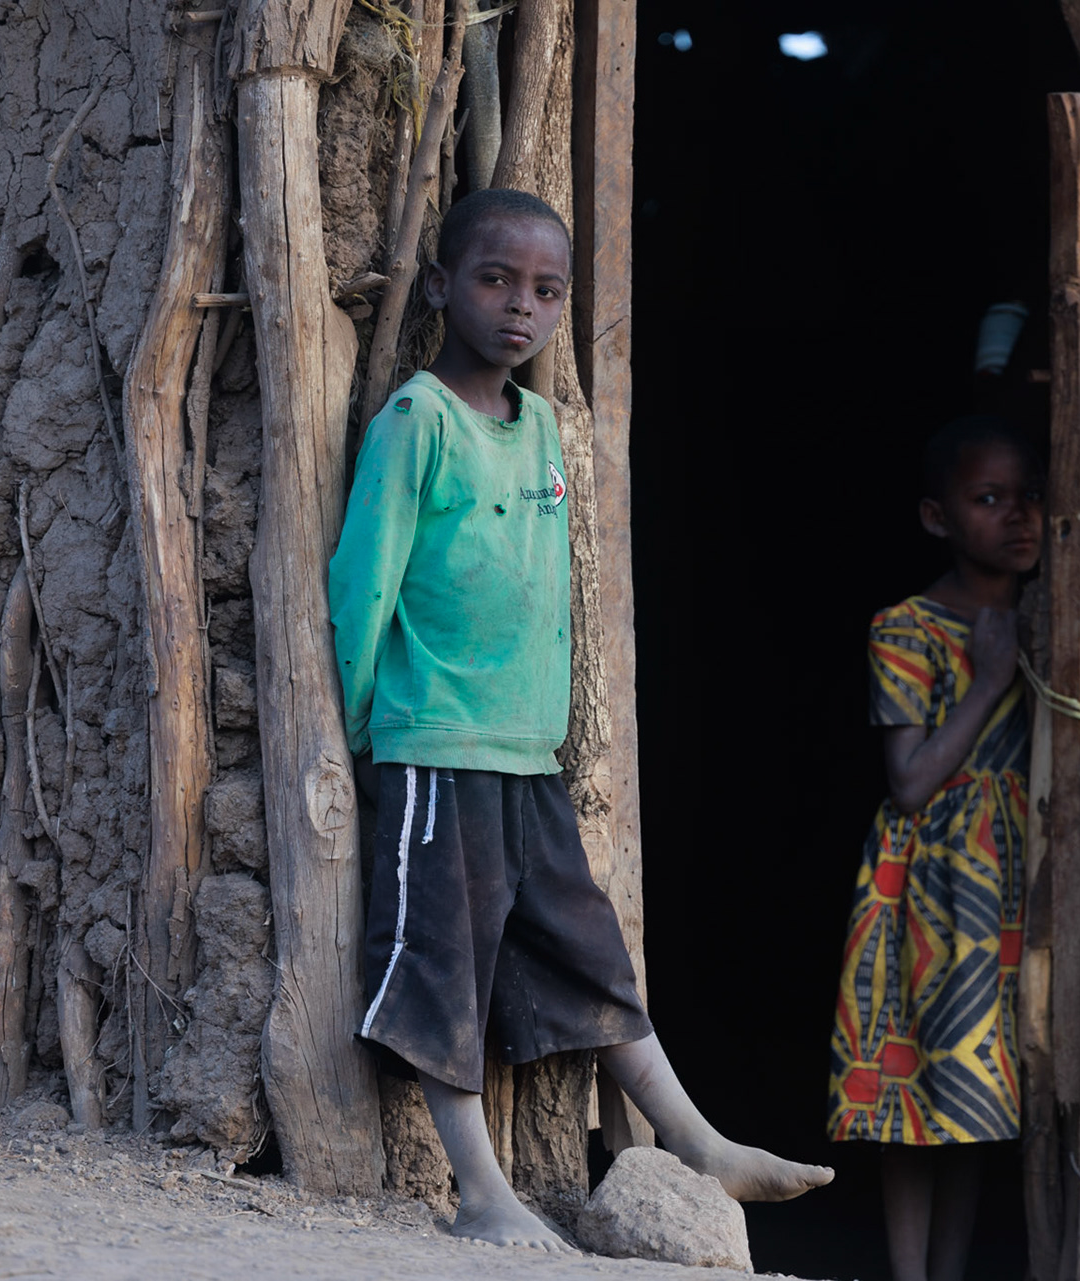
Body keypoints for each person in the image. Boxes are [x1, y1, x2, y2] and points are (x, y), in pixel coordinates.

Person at [328, 188, 833, 1252]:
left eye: (546, 291)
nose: (520, 307)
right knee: (442, 965)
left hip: (525, 755)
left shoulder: (546, 428)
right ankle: (482, 1192)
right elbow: (362, 586)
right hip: (434, 748)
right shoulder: (418, 422)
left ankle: (698, 1141)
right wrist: (374, 730)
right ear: (439, 287)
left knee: (593, 950)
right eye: (495, 280)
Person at [825, 415, 1044, 1281]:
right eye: (988, 498)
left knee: (977, 1097)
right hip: (928, 895)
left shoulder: (1056, 621)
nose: (1017, 515)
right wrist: (991, 680)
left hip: (1013, 892)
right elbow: (910, 781)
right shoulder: (906, 628)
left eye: (1028, 495)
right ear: (936, 517)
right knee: (913, 1097)